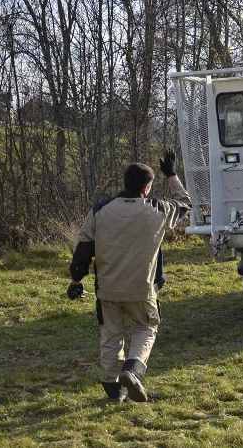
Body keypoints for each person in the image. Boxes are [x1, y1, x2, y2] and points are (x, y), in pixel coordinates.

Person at [67, 151, 191, 402]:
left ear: (125, 183)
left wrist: (76, 280)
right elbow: (184, 202)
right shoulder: (158, 210)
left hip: (107, 290)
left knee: (111, 335)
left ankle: (114, 390)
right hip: (142, 289)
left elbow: (83, 250)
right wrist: (172, 175)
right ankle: (133, 372)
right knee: (146, 328)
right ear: (147, 188)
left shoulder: (100, 210)